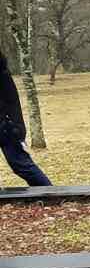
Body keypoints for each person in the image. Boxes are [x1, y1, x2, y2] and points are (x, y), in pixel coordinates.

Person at [0, 51, 52, 189]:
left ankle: (50, 194)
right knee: (21, 165)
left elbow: (8, 103)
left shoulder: (1, 72)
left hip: (7, 126)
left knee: (21, 165)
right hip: (8, 124)